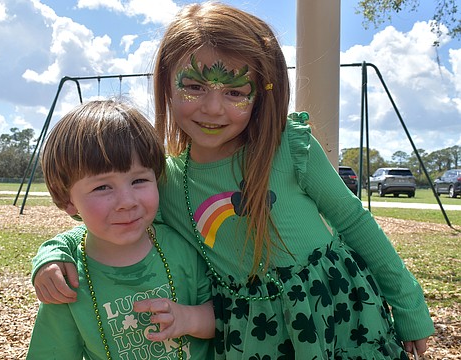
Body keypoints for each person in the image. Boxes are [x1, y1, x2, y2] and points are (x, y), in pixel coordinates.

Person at [31, 3, 434, 359]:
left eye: (236, 92)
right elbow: (102, 221)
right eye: (193, 86)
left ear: (262, 93)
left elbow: (354, 222)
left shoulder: (289, 148)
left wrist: (410, 305)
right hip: (248, 333)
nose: (212, 107)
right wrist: (51, 253)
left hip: (337, 312)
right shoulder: (161, 183)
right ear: (166, 86)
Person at [26, 99, 214, 360]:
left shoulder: (182, 246)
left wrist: (189, 318)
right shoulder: (67, 281)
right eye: (102, 187)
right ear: (67, 200)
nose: (127, 202)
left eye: (139, 180)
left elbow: (226, 319)